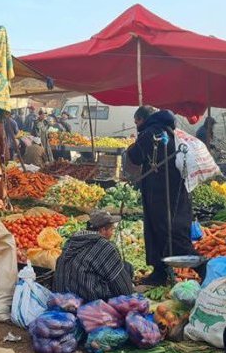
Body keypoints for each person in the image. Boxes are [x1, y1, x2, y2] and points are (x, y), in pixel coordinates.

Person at [127, 107, 197, 285]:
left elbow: (135, 157)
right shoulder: (170, 131)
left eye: (137, 123)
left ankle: (204, 269)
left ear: (143, 119)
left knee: (165, 233)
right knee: (171, 231)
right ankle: (160, 273)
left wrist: (131, 147)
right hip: (176, 193)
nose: (137, 127)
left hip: (159, 194)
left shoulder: (150, 133)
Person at [54, 210, 133, 302]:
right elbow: (124, 289)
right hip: (88, 303)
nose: (112, 233)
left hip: (61, 298)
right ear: (103, 230)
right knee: (127, 268)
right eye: (111, 229)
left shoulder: (71, 241)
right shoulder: (104, 246)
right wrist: (130, 299)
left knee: (121, 266)